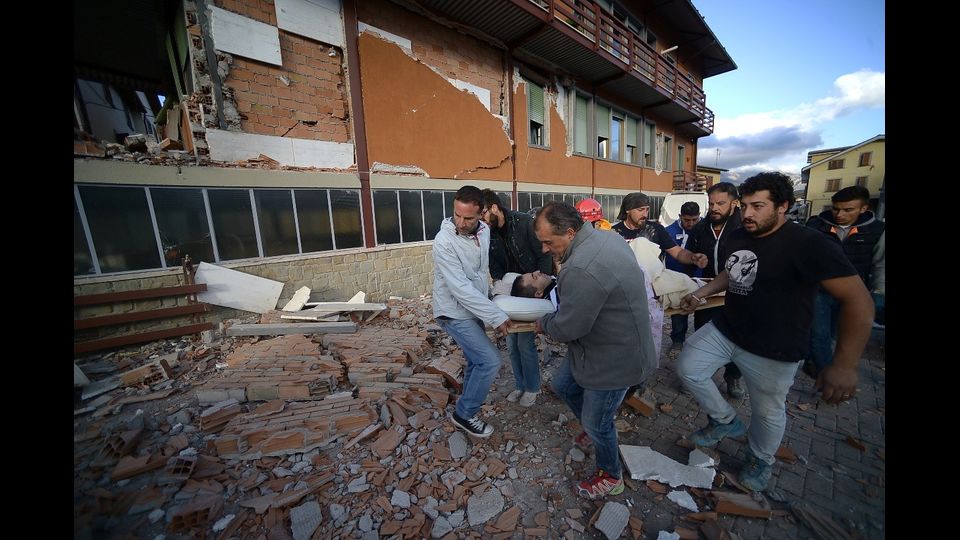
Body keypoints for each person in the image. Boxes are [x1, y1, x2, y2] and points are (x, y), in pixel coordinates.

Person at [675, 172, 874, 492]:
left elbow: (859, 301)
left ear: (783, 206)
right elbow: (732, 271)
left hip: (775, 346)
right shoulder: (739, 236)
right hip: (728, 329)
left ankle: (760, 459)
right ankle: (724, 421)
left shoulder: (810, 244)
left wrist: (845, 365)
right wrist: (702, 293)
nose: (748, 213)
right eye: (744, 206)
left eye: (758, 206)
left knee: (767, 412)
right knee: (688, 367)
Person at [533, 201, 657, 499]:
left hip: (616, 358)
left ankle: (611, 475)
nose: (544, 250)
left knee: (597, 421)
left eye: (549, 242)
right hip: (605, 344)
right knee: (564, 386)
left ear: (570, 232)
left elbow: (568, 328)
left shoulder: (581, 268)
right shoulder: (606, 236)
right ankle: (595, 429)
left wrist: (543, 322)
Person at [432, 186, 511, 438]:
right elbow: (460, 289)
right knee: (490, 360)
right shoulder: (444, 241)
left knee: (477, 360)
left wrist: (492, 296)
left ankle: (466, 402)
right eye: (457, 215)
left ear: (481, 213)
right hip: (453, 311)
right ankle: (464, 414)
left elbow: (479, 272)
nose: (461, 222)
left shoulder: (484, 231)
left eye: (468, 218)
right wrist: (496, 316)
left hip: (473, 307)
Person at [480, 189, 554, 407]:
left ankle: (532, 387)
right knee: (512, 344)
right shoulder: (489, 232)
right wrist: (500, 287)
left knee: (525, 344)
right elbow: (494, 266)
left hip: (531, 290)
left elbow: (543, 254)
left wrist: (540, 288)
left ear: (494, 208)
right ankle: (520, 385)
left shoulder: (523, 222)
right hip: (510, 292)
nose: (482, 220)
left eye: (483, 213)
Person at [803, 185, 885, 378]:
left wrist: (879, 290)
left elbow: (880, 264)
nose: (840, 214)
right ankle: (826, 377)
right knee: (819, 335)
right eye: (836, 209)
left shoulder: (876, 230)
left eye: (848, 210)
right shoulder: (816, 226)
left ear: (863, 208)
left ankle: (814, 362)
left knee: (834, 333)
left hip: (852, 294)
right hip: (819, 290)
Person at [686, 182, 746, 398]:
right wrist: (695, 259)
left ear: (734, 203)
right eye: (711, 204)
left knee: (737, 339)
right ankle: (701, 374)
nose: (714, 208)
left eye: (721, 203)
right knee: (703, 334)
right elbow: (689, 254)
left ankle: (733, 376)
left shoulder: (744, 227)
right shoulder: (701, 228)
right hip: (708, 292)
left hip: (738, 294)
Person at [613, 192, 709, 269]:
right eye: (640, 210)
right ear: (628, 210)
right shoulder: (614, 233)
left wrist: (692, 257)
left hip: (652, 282)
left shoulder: (656, 229)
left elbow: (677, 252)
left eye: (647, 210)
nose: (645, 214)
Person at [664, 201, 703, 350]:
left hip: (700, 279)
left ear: (699, 216)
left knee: (703, 314)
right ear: (680, 216)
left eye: (694, 219)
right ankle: (677, 341)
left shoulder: (705, 229)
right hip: (676, 280)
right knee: (679, 313)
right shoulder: (668, 231)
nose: (691, 223)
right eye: (687, 220)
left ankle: (701, 345)